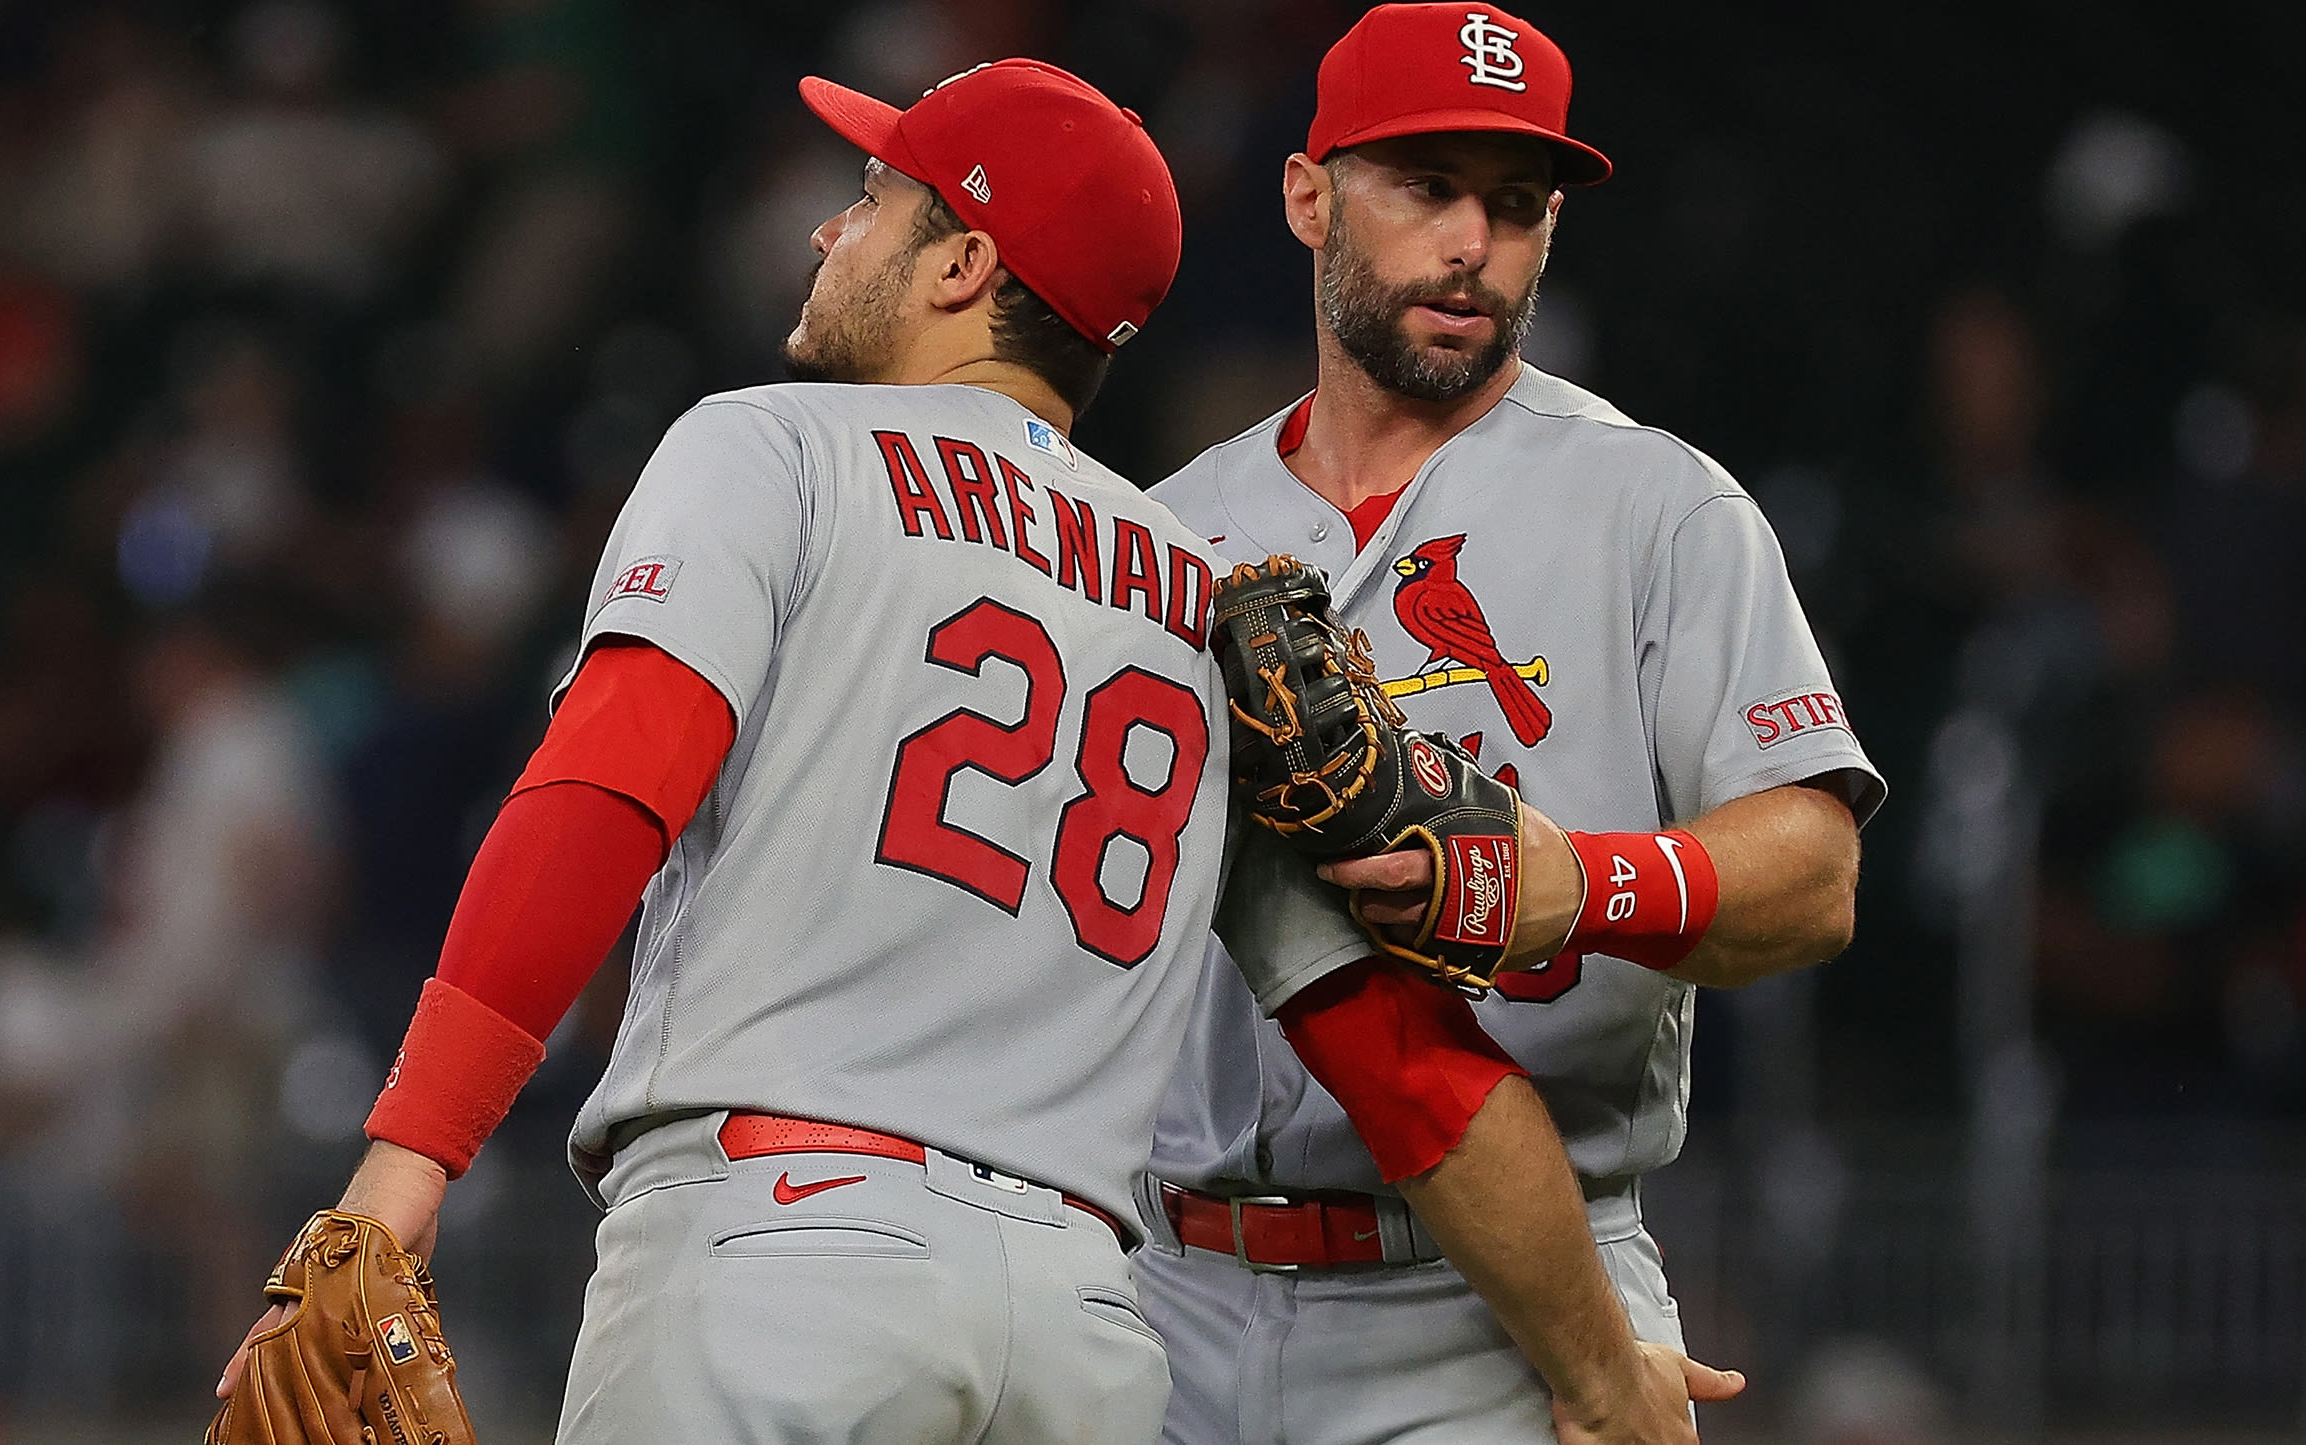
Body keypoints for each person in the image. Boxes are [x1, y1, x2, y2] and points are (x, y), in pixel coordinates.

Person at [215, 56, 1734, 1443]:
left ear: (962, 262)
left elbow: (602, 791)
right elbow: (1395, 1056)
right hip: (1082, 1329)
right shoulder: (1203, 593)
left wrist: (403, 1167)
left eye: (875, 201)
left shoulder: (769, 447)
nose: (831, 235)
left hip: (778, 1260)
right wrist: (1603, 1363)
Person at [1136, 5, 1887, 1444]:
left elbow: (1815, 870)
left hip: (1506, 1308)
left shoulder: (1656, 504)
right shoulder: (1171, 528)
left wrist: (1584, 883)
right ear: (1308, 195)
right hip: (1171, 1281)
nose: (1473, 244)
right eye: (1425, 187)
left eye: (1517, 205)